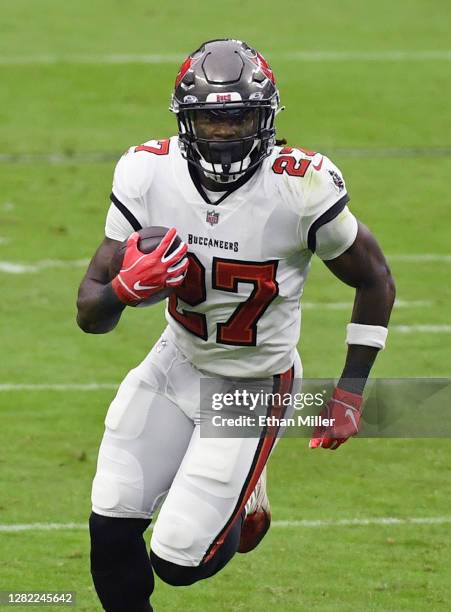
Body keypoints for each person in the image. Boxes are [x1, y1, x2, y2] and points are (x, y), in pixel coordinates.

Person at [76, 38, 395, 612]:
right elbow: (89, 314)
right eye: (209, 120)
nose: (224, 134)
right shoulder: (148, 173)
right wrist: (126, 289)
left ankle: (242, 503)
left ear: (266, 118)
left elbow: (375, 280)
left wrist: (349, 391)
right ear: (183, 121)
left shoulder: (301, 186)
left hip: (254, 383)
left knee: (176, 562)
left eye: (238, 117)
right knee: (110, 522)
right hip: (176, 364)